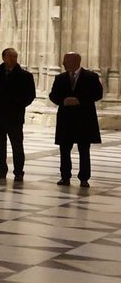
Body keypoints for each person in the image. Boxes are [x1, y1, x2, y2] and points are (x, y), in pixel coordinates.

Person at [50, 52, 104, 187]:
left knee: (84, 149)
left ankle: (84, 178)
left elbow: (97, 94)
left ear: (75, 62)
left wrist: (79, 100)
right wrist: (63, 101)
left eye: (65, 61)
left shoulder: (91, 77)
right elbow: (53, 95)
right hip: (66, 119)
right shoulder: (60, 78)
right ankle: (65, 177)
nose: (63, 63)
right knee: (64, 149)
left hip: (84, 119)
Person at [0, 47, 35, 182]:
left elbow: (30, 95)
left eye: (15, 56)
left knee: (17, 144)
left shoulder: (25, 76)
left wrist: (18, 104)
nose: (13, 59)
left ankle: (19, 171)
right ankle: (1, 168)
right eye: (10, 56)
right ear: (4, 57)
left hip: (15, 115)